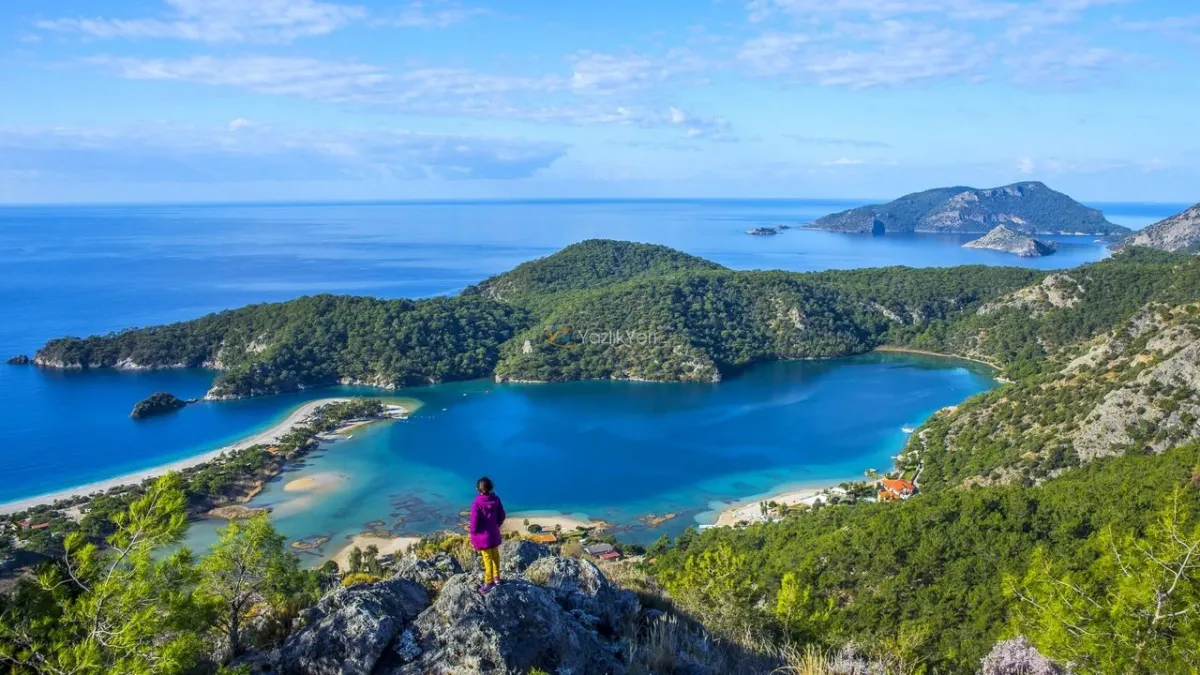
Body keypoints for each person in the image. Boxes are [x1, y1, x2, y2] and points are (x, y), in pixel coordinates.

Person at [469, 475, 506, 593]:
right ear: (491, 488)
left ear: (478, 489)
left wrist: (473, 532)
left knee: (487, 558)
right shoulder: (496, 499)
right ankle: (497, 578)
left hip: (482, 537)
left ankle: (488, 582)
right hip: (493, 533)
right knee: (495, 555)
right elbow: (502, 515)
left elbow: (474, 521)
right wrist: (497, 525)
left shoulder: (477, 503)